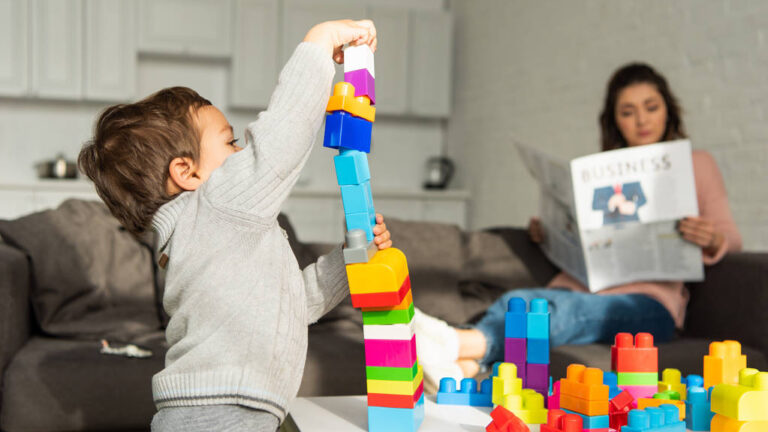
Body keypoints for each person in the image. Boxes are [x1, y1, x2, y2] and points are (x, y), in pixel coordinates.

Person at [78, 20, 389, 432]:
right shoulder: (216, 204)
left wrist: (353, 256)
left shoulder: (202, 236)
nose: (242, 151)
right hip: (221, 411)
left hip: (221, 410)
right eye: (230, 142)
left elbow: (293, 303)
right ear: (187, 173)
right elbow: (280, 140)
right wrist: (318, 45)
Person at [414, 62, 743, 387]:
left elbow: (731, 238)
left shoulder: (697, 165)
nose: (642, 120)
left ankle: (452, 342)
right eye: (628, 112)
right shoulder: (601, 172)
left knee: (562, 312)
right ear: (615, 121)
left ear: (668, 111)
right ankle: (460, 370)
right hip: (583, 285)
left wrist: (712, 238)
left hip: (649, 304)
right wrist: (549, 234)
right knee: (523, 302)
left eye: (651, 107)